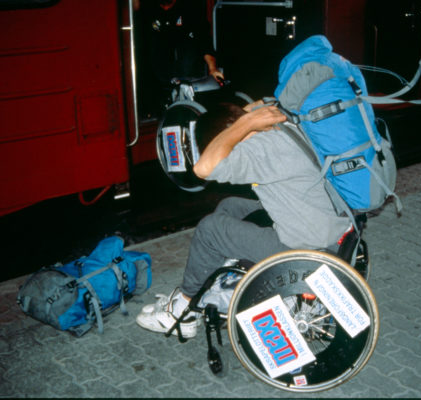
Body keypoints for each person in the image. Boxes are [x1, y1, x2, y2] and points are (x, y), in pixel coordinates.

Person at [136, 100, 351, 337]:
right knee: (230, 206)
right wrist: (245, 118)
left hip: (304, 248)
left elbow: (203, 169)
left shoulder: (258, 151)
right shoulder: (282, 129)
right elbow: (254, 111)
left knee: (210, 229)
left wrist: (244, 122)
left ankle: (182, 311)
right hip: (325, 227)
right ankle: (215, 279)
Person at [133, 0, 224, 116]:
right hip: (157, 83)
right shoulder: (147, 10)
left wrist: (213, 69)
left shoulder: (190, 10)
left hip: (186, 80)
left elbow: (204, 42)